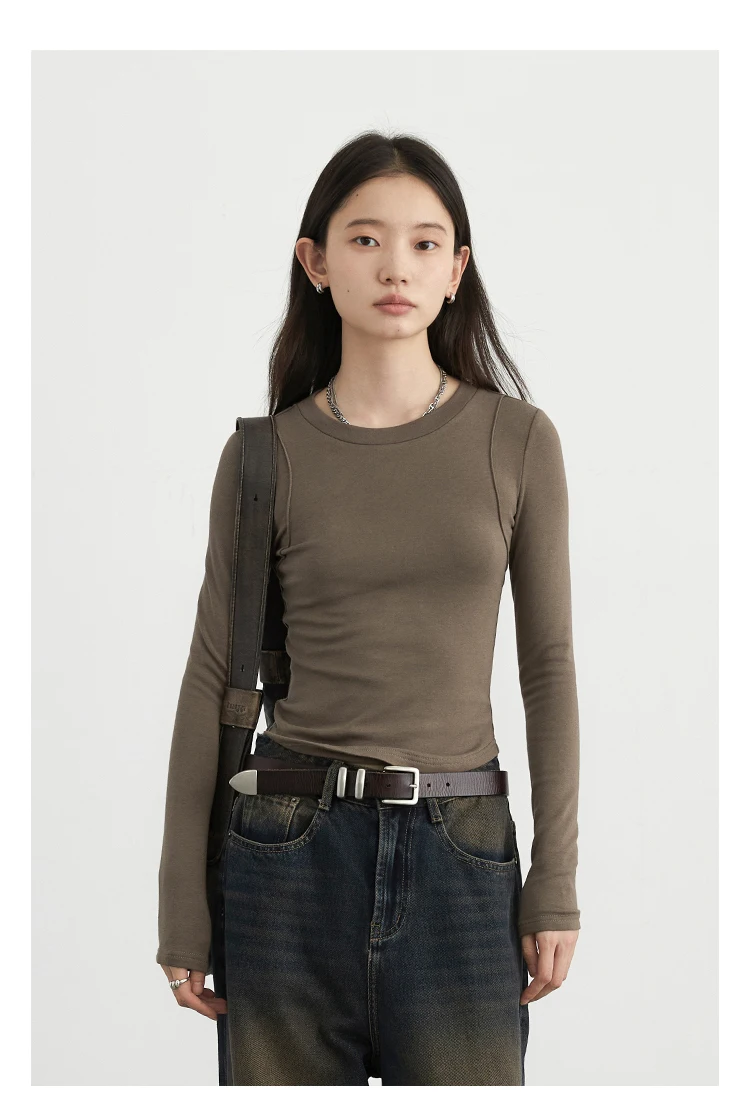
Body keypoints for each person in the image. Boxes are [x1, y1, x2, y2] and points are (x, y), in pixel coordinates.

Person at [156, 130, 581, 1086]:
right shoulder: (263, 457)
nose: (397, 266)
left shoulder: (517, 441)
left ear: (457, 269)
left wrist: (554, 880)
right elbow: (211, 673)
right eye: (365, 239)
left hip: (463, 851)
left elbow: (548, 669)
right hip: (285, 853)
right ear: (315, 262)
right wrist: (183, 904)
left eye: (426, 243)